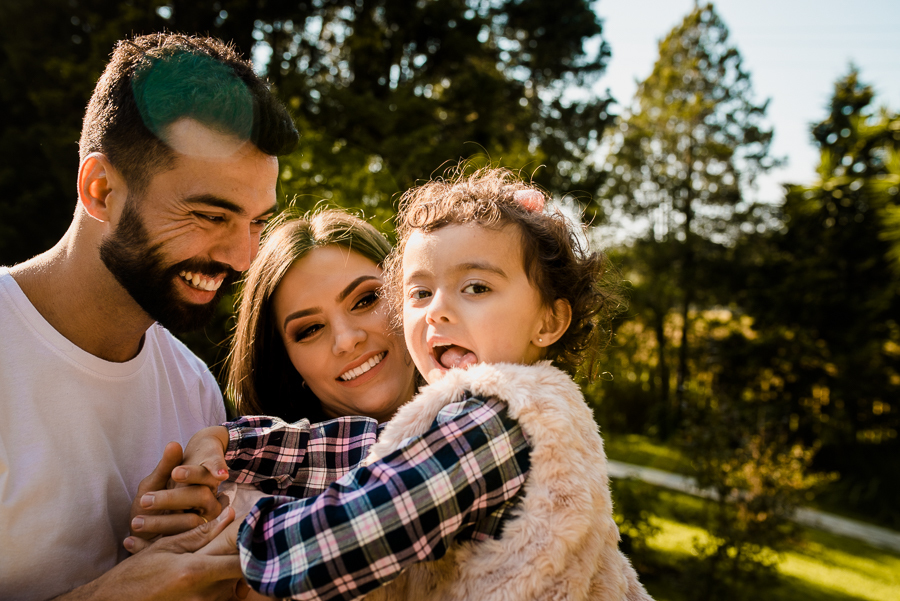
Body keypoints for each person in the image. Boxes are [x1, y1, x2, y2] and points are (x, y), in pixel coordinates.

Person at [173, 168, 652, 600]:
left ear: (549, 321)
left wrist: (237, 531)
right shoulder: (469, 421)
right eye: (420, 292)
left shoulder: (502, 419)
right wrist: (232, 442)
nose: (437, 309)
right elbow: (363, 449)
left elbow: (362, 528)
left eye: (476, 287)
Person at [0, 33, 298, 601]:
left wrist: (175, 548)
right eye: (211, 215)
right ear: (101, 189)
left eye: (257, 221)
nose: (243, 257)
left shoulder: (195, 392)